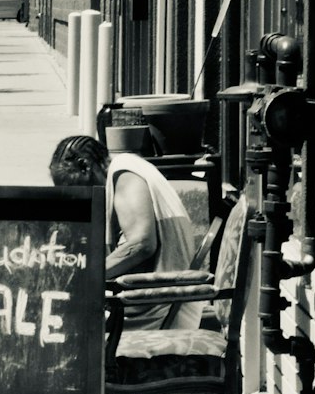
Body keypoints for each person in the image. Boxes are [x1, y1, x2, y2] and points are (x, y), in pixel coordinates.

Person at [48, 134, 202, 330]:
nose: (75, 197)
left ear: (85, 166)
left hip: (157, 310)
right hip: (154, 300)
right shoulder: (125, 171)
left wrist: (86, 276)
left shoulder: (124, 173)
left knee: (63, 324)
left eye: (72, 187)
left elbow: (142, 244)